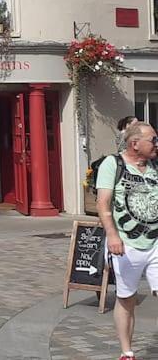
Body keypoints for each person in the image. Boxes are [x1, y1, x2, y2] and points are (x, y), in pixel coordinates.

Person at [97, 121, 158, 360]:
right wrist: (112, 235)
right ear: (135, 144)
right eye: (153, 140)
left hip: (155, 242)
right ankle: (127, 352)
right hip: (126, 243)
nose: (156, 144)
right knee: (126, 299)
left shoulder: (155, 165)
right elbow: (103, 204)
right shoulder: (113, 164)